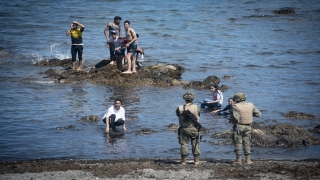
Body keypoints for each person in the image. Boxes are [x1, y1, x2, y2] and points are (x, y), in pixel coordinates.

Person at [231, 92, 261, 165]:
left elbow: (236, 118)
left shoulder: (235, 106)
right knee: (247, 142)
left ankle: (238, 160)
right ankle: (248, 160)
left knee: (238, 143)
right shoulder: (251, 105)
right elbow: (258, 114)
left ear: (236, 99)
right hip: (248, 126)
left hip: (239, 127)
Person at [175, 92, 201, 165]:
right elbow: (198, 114)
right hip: (194, 128)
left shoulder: (179, 108)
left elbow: (177, 114)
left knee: (184, 144)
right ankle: (196, 160)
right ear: (192, 99)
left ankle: (183, 161)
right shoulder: (197, 107)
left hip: (183, 128)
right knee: (195, 143)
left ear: (184, 99)